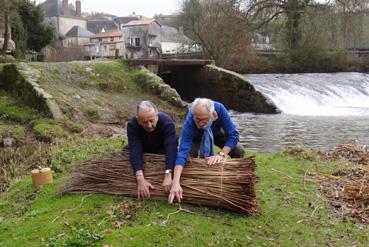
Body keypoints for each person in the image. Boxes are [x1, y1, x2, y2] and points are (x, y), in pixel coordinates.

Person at [168, 98, 244, 203]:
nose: (200, 124)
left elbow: (234, 135)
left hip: (216, 133)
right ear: (193, 115)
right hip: (197, 137)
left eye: (204, 119)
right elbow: (182, 153)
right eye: (197, 119)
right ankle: (194, 181)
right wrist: (175, 182)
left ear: (213, 114)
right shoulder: (190, 122)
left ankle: (237, 178)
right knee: (189, 156)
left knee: (238, 150)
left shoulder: (220, 109)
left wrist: (221, 154)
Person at [125, 100, 178, 199]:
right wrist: (140, 179)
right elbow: (135, 149)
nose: (149, 125)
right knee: (126, 154)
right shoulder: (132, 125)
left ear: (157, 116)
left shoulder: (167, 123)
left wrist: (168, 173)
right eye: (145, 122)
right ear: (138, 120)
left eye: (151, 120)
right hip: (143, 148)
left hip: (161, 150)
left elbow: (171, 148)